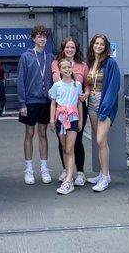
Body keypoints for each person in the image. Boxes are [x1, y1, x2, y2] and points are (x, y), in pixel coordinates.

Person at [17, 25, 53, 185]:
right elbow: (20, 81)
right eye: (39, 36)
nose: (42, 39)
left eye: (44, 36)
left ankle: (44, 168)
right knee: (29, 134)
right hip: (30, 101)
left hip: (45, 101)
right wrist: (22, 102)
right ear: (33, 38)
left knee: (43, 134)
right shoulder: (26, 56)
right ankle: (29, 169)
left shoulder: (50, 57)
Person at [51, 37, 89, 186]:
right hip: (60, 109)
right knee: (62, 143)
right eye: (67, 47)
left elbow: (86, 85)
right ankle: (66, 170)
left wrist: (85, 94)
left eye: (72, 47)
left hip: (76, 108)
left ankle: (80, 172)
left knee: (77, 140)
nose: (69, 50)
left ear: (76, 49)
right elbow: (53, 84)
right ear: (63, 48)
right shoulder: (55, 63)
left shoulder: (82, 65)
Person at [85, 34, 120, 192]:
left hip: (104, 106)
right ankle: (102, 173)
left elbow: (113, 88)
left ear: (105, 47)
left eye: (102, 44)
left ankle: (105, 178)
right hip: (92, 105)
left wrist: (104, 109)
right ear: (93, 45)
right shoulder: (91, 63)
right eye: (96, 43)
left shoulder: (111, 63)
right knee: (101, 141)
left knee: (100, 140)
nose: (99, 46)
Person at [49, 58, 83, 195]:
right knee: (64, 148)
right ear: (60, 70)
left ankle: (69, 180)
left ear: (72, 68)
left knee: (70, 148)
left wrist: (80, 120)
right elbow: (53, 103)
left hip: (73, 119)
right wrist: (52, 120)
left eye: (69, 67)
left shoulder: (77, 85)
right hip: (60, 119)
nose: (67, 70)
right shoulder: (57, 86)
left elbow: (80, 103)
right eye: (64, 68)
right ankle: (68, 176)